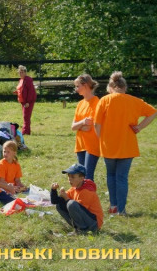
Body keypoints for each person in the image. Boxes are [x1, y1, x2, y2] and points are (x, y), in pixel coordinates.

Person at [94, 71, 157, 216]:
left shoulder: (104, 100)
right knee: (122, 178)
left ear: (110, 87)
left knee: (111, 175)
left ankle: (113, 206)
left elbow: (97, 124)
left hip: (108, 145)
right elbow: (153, 112)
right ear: (125, 87)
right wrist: (139, 127)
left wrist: (100, 139)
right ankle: (121, 210)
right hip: (127, 145)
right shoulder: (135, 101)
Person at [51, 164, 103, 232]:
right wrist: (53, 190)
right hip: (86, 220)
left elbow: (79, 210)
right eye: (69, 176)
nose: (69, 179)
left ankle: (83, 230)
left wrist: (66, 198)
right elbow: (55, 201)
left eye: (72, 177)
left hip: (94, 224)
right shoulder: (74, 188)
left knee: (71, 204)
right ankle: (78, 228)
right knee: (59, 205)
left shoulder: (87, 191)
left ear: (81, 178)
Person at [71, 74, 100, 181]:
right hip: (80, 145)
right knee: (81, 177)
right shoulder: (80, 104)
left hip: (92, 145)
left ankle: (89, 192)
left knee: (88, 176)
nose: (76, 89)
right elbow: (73, 126)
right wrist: (82, 122)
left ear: (86, 85)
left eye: (78, 86)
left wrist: (79, 126)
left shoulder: (97, 103)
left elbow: (89, 127)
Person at [15, 65, 37, 135]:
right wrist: (17, 92)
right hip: (23, 101)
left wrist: (28, 102)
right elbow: (22, 89)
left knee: (26, 116)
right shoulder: (21, 80)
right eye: (19, 72)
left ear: (25, 72)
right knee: (25, 116)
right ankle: (26, 130)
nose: (20, 74)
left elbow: (31, 92)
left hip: (28, 101)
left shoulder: (28, 80)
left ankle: (25, 131)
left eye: (22, 72)